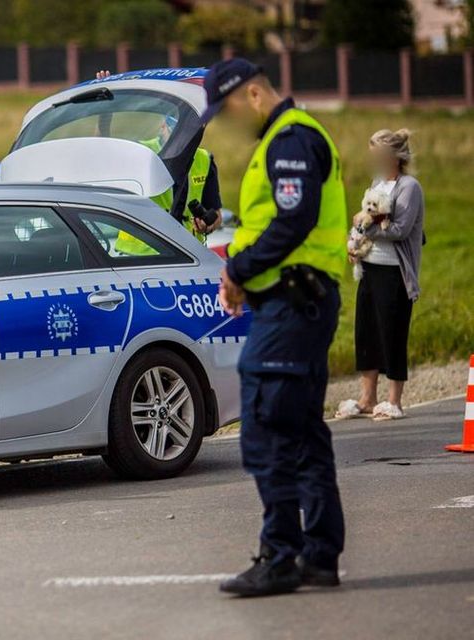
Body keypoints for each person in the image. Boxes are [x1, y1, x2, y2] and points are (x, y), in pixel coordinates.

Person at [202, 59, 349, 597]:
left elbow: (293, 219)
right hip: (297, 304)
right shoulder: (289, 138)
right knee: (302, 430)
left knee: (266, 430)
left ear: (254, 93)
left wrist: (238, 270)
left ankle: (282, 555)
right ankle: (319, 556)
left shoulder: (289, 140)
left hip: (291, 306)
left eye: (229, 108)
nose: (228, 121)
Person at [336, 129, 425, 422]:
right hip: (370, 269)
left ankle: (394, 400)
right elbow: (367, 218)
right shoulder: (377, 183)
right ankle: (367, 398)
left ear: (392, 156)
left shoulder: (409, 187)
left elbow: (399, 229)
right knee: (366, 331)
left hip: (395, 274)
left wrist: (365, 227)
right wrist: (355, 242)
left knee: (393, 333)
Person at [93, 71, 224, 249]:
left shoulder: (205, 160)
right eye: (173, 128)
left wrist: (207, 226)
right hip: (139, 255)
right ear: (163, 125)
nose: (180, 137)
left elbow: (216, 214)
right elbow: (102, 148)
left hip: (189, 253)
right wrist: (104, 110)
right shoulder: (143, 152)